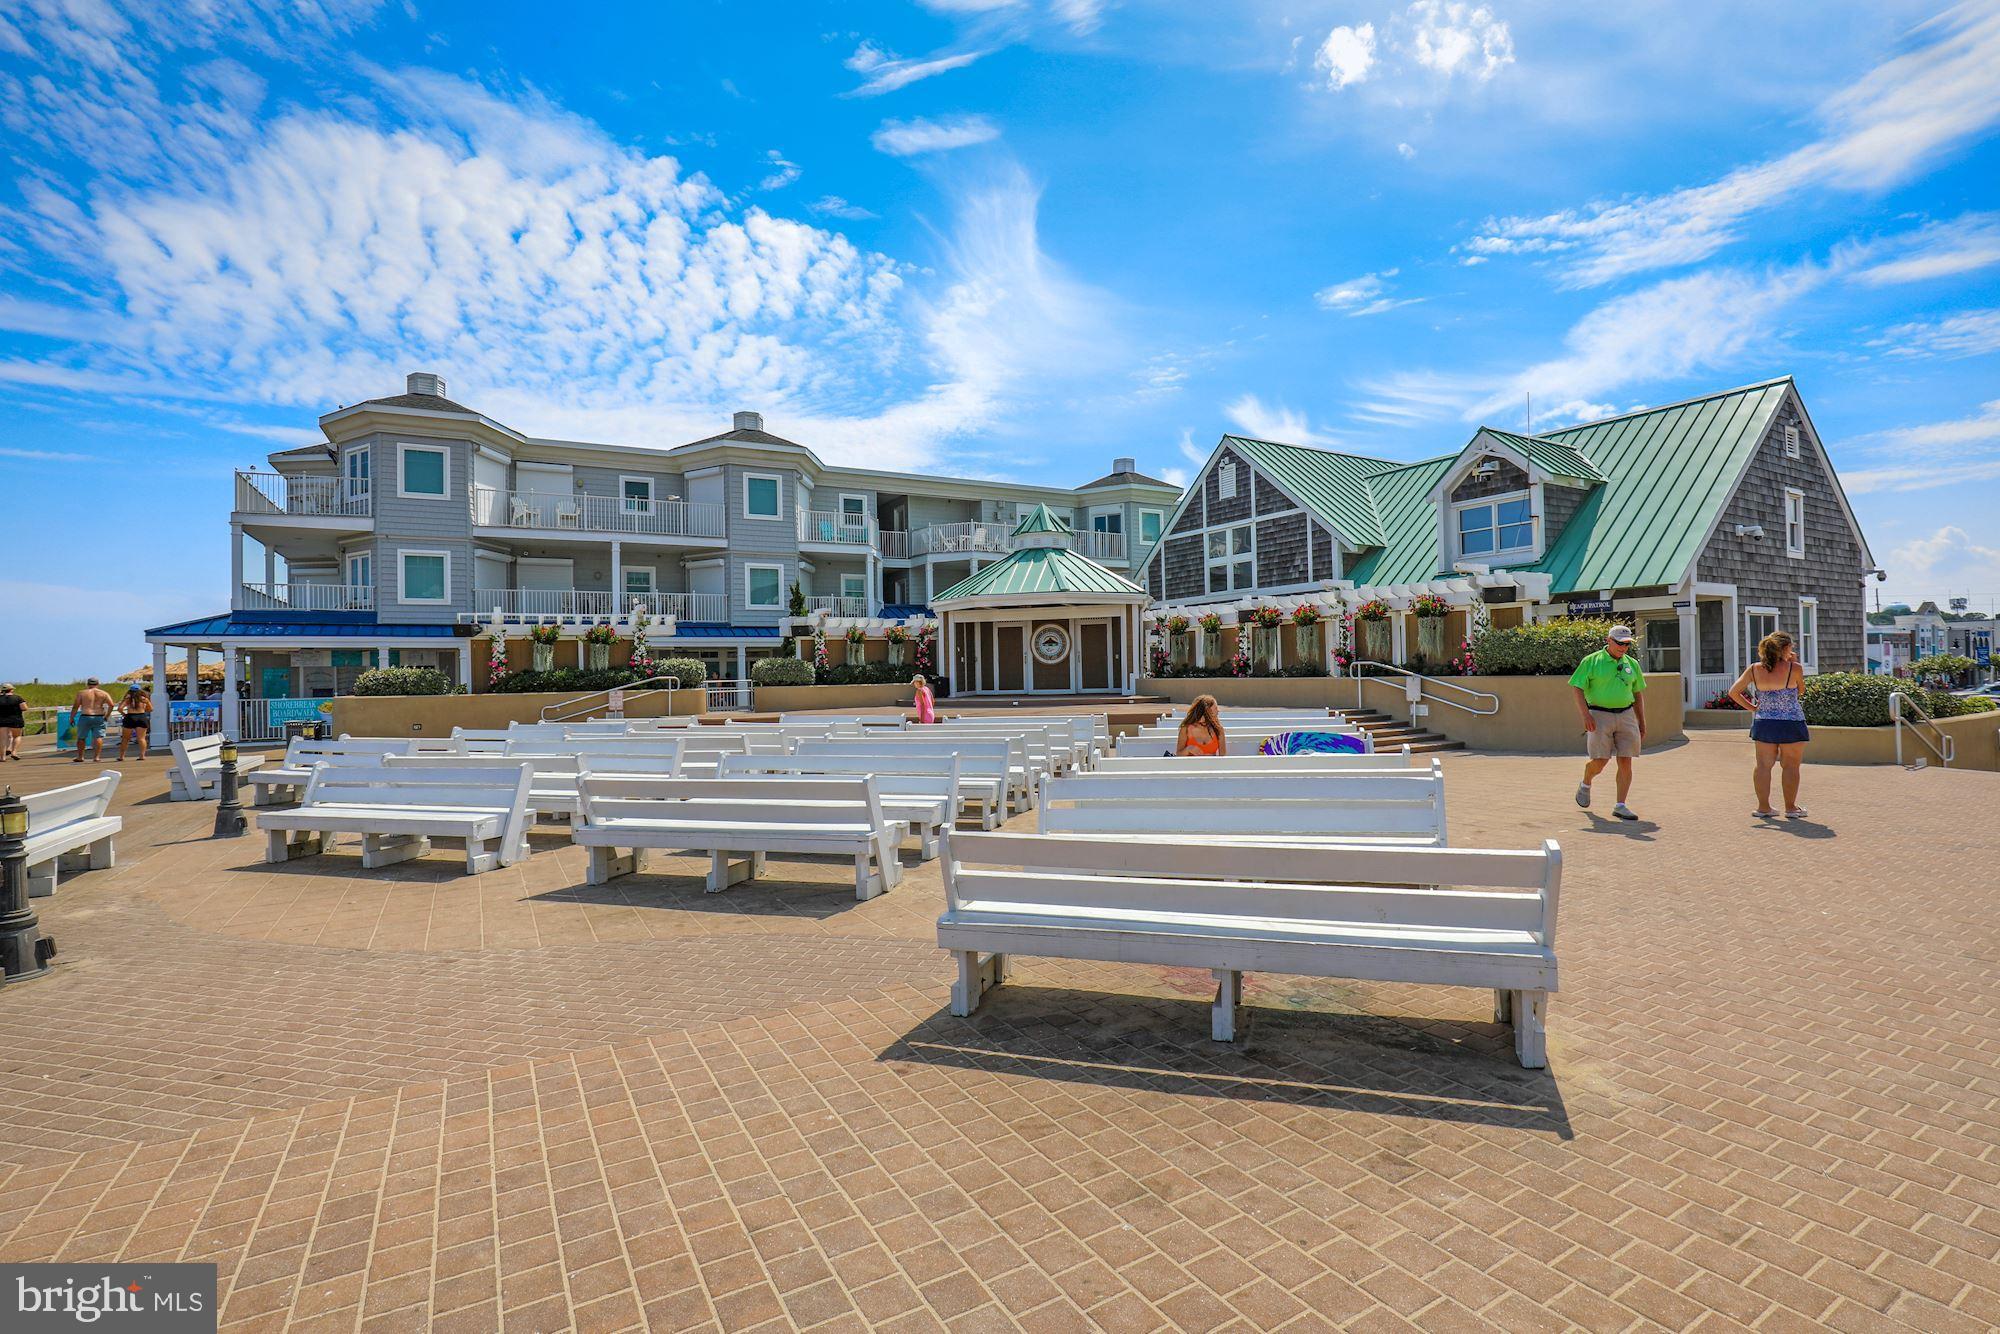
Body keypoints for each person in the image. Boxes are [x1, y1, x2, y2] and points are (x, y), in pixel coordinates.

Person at [1727, 631, 1810, 819]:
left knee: (1763, 766)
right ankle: (1791, 808)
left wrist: (1753, 708)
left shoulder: (1754, 669)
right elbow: (1801, 691)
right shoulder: (1794, 668)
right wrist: (1793, 662)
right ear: (1786, 648)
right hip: (1791, 722)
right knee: (1791, 766)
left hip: (1764, 722)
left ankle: (1763, 808)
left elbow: (1734, 692)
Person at [1569, 625, 1648, 821]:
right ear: (1608, 640)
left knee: (1625, 758)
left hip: (1626, 714)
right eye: (1619, 643)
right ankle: (1586, 782)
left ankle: (1620, 805)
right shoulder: (1591, 661)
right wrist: (1586, 715)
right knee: (1600, 761)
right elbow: (1577, 688)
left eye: (1627, 644)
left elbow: (1637, 693)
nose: (1623, 647)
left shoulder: (1632, 664)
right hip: (1599, 715)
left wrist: (1642, 721)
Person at [71, 677, 114, 763]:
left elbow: (76, 706)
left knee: (81, 737)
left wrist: (71, 717)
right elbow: (111, 705)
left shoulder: (82, 693)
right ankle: (96, 757)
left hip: (85, 716)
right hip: (99, 716)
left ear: (87, 684)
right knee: (98, 737)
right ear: (98, 684)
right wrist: (107, 715)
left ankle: (80, 757)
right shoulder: (104, 693)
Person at [115, 684, 153, 761]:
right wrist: (144, 709)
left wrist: (124, 714)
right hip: (141, 717)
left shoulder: (128, 699)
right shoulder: (144, 699)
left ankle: (121, 756)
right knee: (141, 738)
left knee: (125, 739)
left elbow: (120, 708)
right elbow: (151, 709)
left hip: (130, 717)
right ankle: (142, 756)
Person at [0, 684, 24, 761]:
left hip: (2, 720)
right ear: (11, 690)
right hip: (15, 719)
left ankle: (2, 757)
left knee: (3, 739)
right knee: (17, 736)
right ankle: (14, 752)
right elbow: (24, 707)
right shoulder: (17, 698)